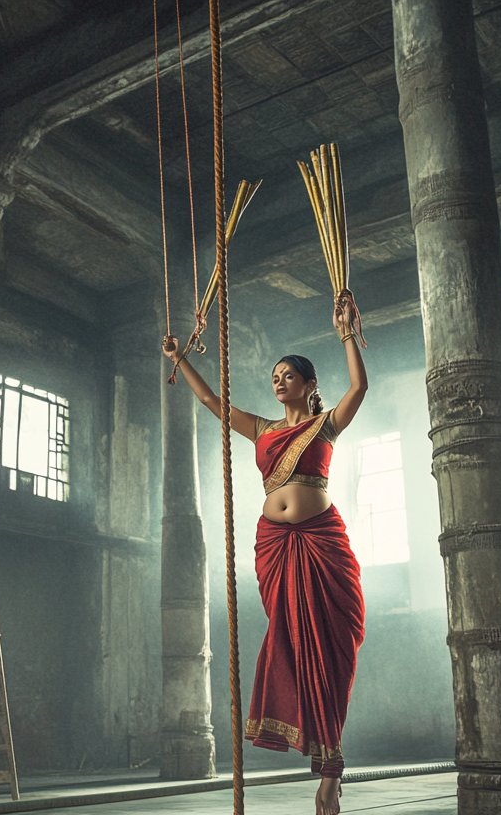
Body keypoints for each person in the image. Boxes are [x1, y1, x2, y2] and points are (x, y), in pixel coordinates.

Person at [161, 294, 367, 815]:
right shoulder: (261, 428)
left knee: (329, 648)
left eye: (287, 375)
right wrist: (180, 360)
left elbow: (360, 387)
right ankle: (318, 761)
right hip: (275, 546)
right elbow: (213, 404)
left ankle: (330, 770)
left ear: (309, 384)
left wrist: (347, 333)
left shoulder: (326, 426)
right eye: (274, 376)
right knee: (293, 644)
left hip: (320, 543)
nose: (278, 381)